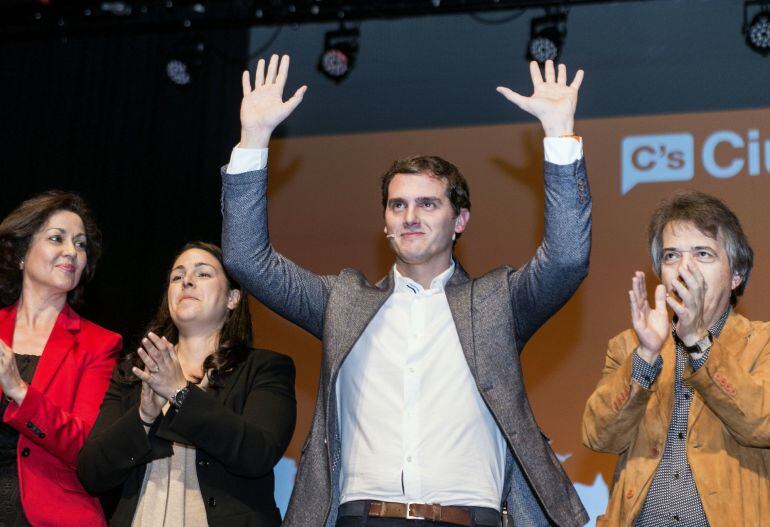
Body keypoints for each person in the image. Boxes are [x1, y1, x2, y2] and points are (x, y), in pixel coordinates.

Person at [221, 55, 591, 527]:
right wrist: (253, 140)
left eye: (427, 203)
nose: (410, 216)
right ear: (385, 222)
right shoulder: (343, 301)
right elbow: (246, 259)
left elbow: (566, 258)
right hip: (363, 517)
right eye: (398, 205)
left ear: (460, 220)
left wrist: (559, 134)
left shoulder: (496, 302)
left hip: (468, 517)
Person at [582, 190, 770, 526]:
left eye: (703, 253)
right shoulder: (629, 346)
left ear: (736, 274)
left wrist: (698, 341)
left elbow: (762, 423)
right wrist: (646, 355)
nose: (685, 268)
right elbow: (599, 436)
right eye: (671, 256)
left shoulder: (762, 342)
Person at [77, 241, 296, 527]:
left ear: (233, 298)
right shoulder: (135, 373)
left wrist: (180, 393)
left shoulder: (265, 368)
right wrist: (144, 417)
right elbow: (92, 473)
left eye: (203, 274)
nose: (187, 281)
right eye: (177, 277)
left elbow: (258, 453)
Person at [0, 190, 122, 526]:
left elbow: (86, 447)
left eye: (81, 244)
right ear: (22, 253)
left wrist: (19, 391)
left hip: (51, 514)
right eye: (58, 238)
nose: (72, 251)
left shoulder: (99, 344)